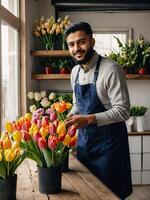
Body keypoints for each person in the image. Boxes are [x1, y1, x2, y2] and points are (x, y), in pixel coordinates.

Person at [64, 22, 133, 199]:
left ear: (92, 42)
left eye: (81, 42)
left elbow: (124, 111)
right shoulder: (74, 72)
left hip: (110, 148)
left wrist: (88, 119)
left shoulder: (111, 69)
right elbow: (78, 104)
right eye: (71, 44)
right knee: (87, 194)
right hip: (85, 146)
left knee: (110, 195)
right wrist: (69, 117)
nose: (76, 48)